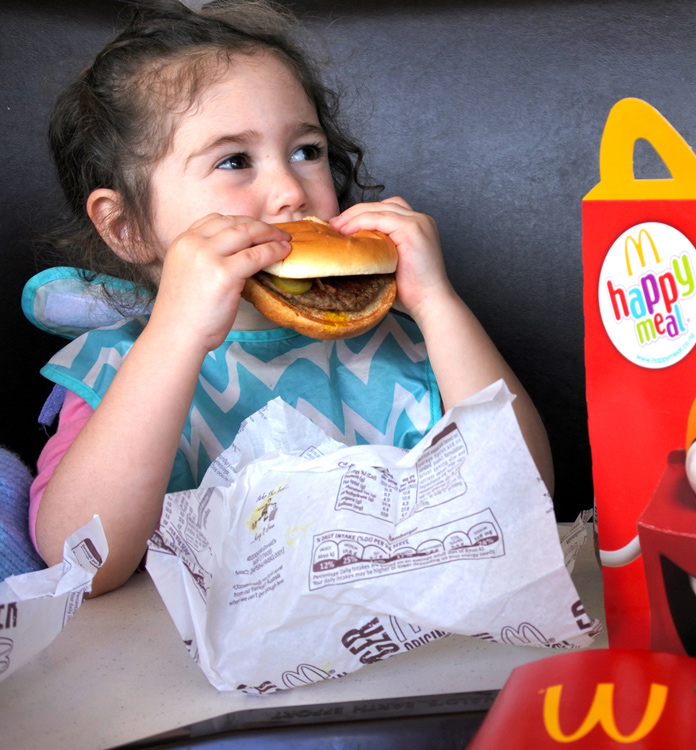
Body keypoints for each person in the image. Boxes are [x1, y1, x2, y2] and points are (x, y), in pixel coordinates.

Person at [28, 0, 553, 596]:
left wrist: (438, 305)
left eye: (307, 151)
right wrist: (174, 336)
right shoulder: (118, 369)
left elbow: (523, 498)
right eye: (234, 161)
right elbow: (81, 564)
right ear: (128, 228)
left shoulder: (408, 349)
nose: (288, 192)